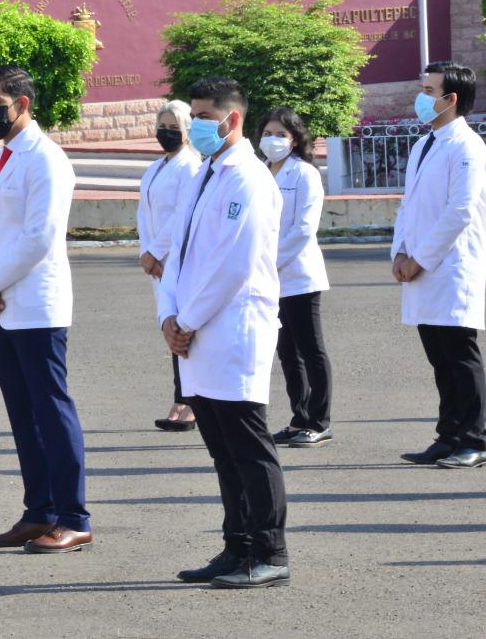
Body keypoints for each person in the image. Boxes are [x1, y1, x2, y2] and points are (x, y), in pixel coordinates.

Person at [158, 77, 289, 589]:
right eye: (193, 116)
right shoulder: (205, 171)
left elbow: (231, 265)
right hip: (192, 330)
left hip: (232, 329)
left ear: (232, 121)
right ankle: (236, 547)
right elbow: (179, 249)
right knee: (221, 449)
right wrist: (168, 316)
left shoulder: (250, 179)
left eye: (205, 117)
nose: (196, 126)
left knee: (248, 446)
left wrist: (184, 321)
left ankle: (269, 551)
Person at [0, 66, 90, 554]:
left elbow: (39, 238)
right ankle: (38, 510)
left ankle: (73, 515)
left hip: (35, 304)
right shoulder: (3, 157)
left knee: (51, 409)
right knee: (23, 414)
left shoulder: (47, 159)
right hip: (0, 306)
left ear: (21, 103)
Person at [394, 62, 486, 470]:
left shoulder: (468, 147)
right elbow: (409, 205)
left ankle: (473, 440)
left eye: (429, 91)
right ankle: (448, 436)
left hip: (450, 268)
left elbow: (460, 212)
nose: (421, 97)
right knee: (439, 358)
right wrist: (400, 252)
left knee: (460, 357)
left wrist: (420, 258)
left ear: (451, 99)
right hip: (418, 267)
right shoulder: (426, 144)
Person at [259, 107, 333, 448]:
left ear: (295, 140)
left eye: (281, 135)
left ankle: (319, 421)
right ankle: (299, 418)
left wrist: (268, 262)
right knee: (287, 352)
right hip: (267, 278)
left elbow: (304, 228)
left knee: (310, 349)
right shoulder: (259, 173)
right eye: (268, 133)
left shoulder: (304, 174)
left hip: (299, 275)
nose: (273, 140)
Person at [137, 100, 202, 432]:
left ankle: (190, 401)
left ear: (187, 131)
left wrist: (159, 252)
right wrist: (147, 252)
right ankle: (182, 397)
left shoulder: (190, 166)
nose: (167, 133)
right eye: (162, 127)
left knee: (181, 327)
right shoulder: (157, 166)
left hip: (175, 260)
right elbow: (143, 212)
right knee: (169, 326)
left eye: (174, 128)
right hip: (156, 262)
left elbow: (181, 215)